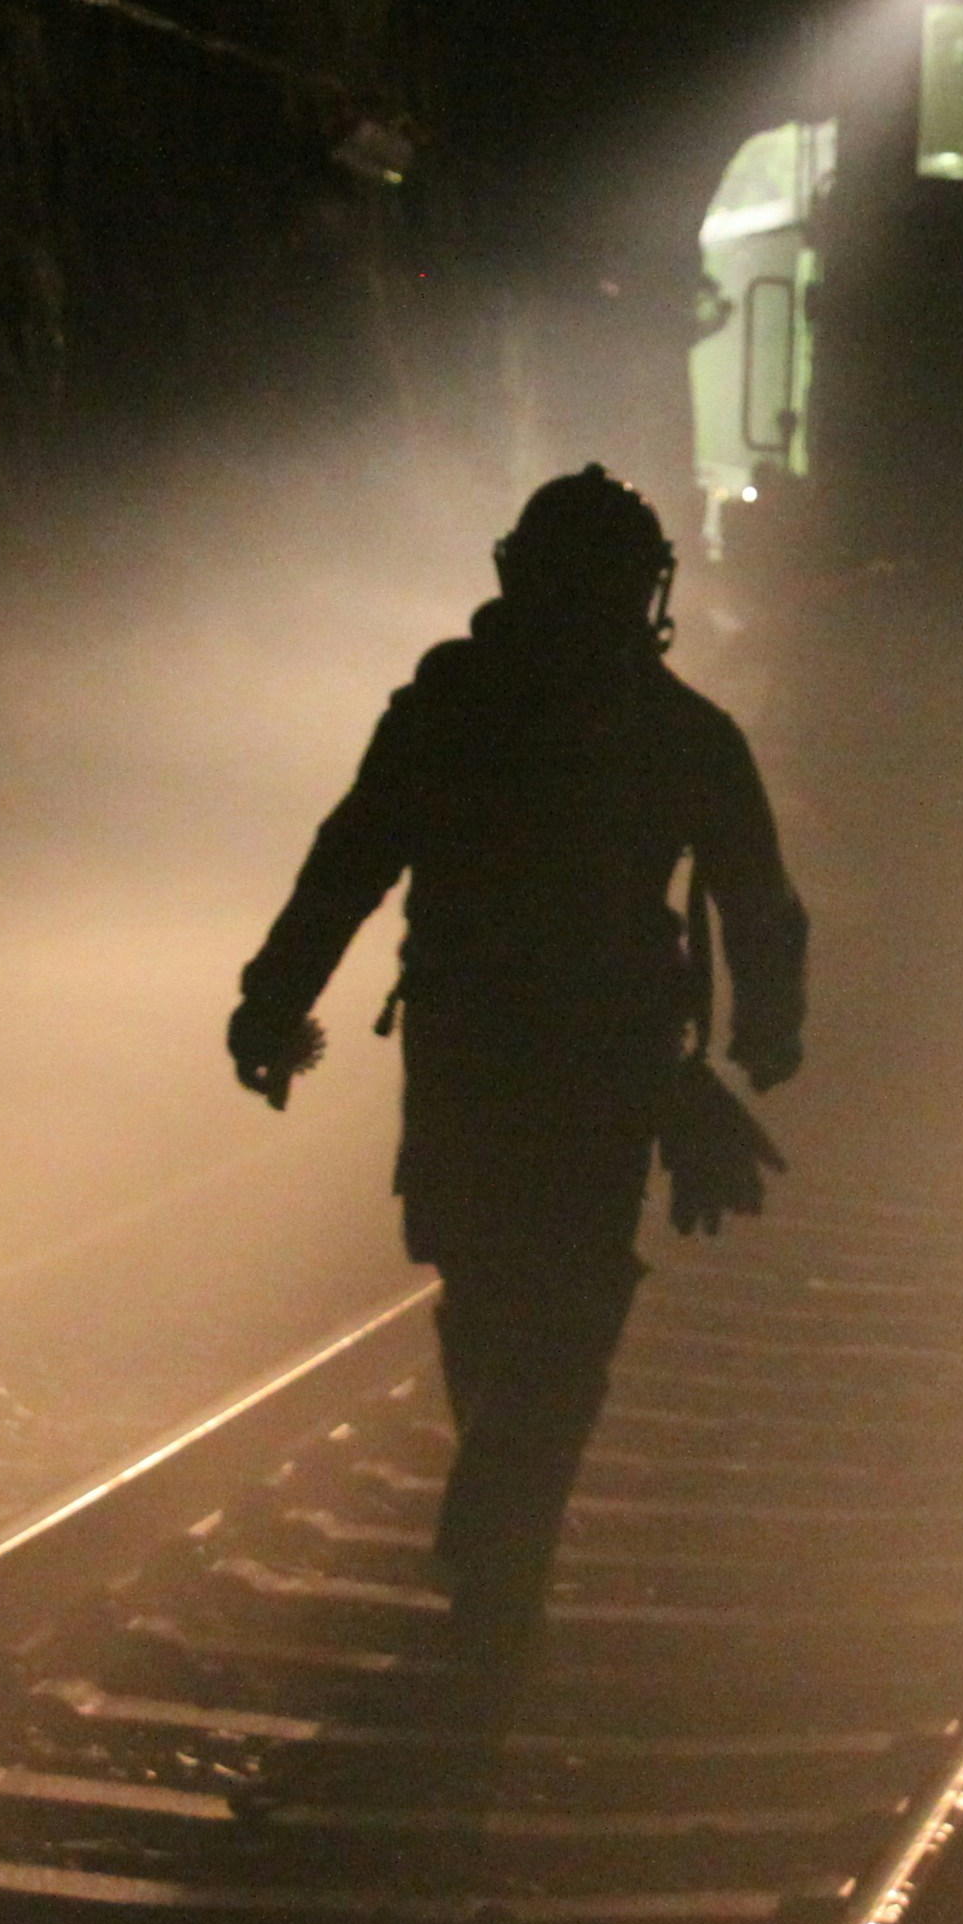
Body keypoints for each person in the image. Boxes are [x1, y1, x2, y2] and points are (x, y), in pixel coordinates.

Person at [227, 468, 806, 1627]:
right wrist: (765, 1029)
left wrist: (272, 1001)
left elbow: (349, 863)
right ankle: (507, 1523)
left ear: (516, 575)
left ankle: (500, 1523)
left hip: (467, 1045)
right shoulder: (682, 731)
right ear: (646, 592)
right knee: (574, 1290)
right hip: (609, 1055)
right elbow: (760, 900)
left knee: (486, 1277)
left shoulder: (448, 707)